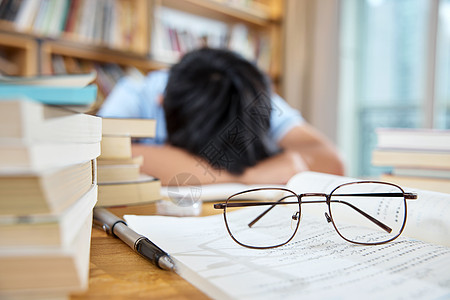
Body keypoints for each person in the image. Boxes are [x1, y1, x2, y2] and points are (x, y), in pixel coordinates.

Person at [98, 48, 344, 185]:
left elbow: (332, 162)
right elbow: (99, 156)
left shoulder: (249, 96)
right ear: (161, 105)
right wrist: (245, 175)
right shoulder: (135, 95)